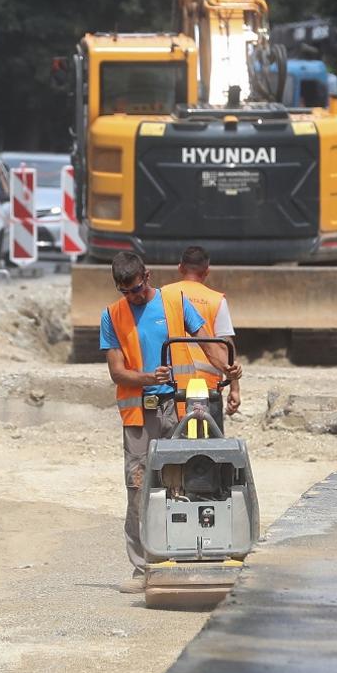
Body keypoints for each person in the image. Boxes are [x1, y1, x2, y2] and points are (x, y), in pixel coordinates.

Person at [101, 250, 239, 593]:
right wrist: (148, 377)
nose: (131, 297)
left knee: (187, 479)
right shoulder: (112, 316)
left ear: (146, 276)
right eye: (124, 292)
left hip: (178, 407)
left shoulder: (175, 302)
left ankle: (189, 557)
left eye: (134, 289)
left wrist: (230, 371)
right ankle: (143, 569)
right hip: (139, 414)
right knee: (138, 487)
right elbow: (116, 371)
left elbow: (210, 344)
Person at [161, 245, 240, 418]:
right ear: (207, 271)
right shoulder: (216, 300)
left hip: (172, 384)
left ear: (180, 267)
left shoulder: (164, 294)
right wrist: (234, 388)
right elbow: (226, 346)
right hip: (208, 385)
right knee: (210, 440)